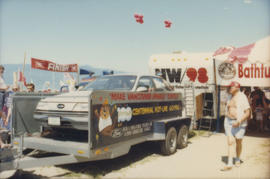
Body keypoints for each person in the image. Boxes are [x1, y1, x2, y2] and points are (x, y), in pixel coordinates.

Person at [221, 81, 251, 171]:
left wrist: (239, 121)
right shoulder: (229, 96)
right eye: (229, 87)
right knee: (230, 142)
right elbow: (228, 107)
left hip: (239, 123)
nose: (229, 88)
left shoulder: (242, 97)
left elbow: (248, 112)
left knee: (238, 142)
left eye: (231, 87)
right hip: (228, 122)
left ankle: (237, 158)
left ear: (237, 87)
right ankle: (229, 164)